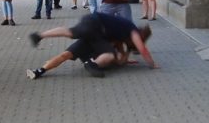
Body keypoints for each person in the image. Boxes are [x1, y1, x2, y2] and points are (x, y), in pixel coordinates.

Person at [29, 13, 157, 77]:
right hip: (95, 28)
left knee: (70, 38)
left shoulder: (121, 35)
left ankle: (40, 69)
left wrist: (126, 55)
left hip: (91, 27)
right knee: (110, 54)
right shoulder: (132, 30)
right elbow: (142, 49)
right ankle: (92, 64)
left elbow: (121, 60)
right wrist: (152, 64)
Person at [26, 37, 133, 80]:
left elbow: (120, 61)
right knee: (65, 55)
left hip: (96, 55)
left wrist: (128, 51)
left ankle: (92, 63)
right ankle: (39, 71)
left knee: (113, 56)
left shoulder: (118, 40)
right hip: (85, 44)